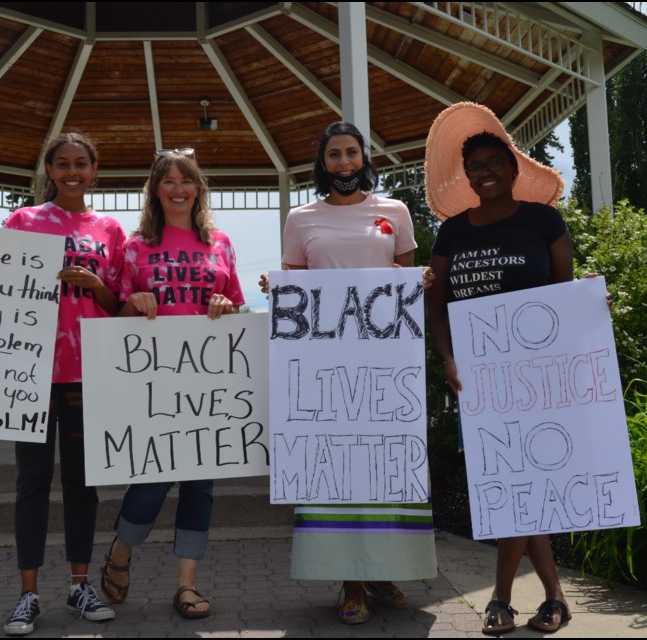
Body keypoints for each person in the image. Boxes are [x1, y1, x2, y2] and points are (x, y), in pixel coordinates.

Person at [264, 122, 438, 625]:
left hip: (385, 366)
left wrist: (420, 278)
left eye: (351, 154)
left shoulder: (395, 212)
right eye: (334, 155)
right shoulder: (300, 218)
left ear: (364, 159)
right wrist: (276, 285)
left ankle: (384, 573)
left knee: (384, 466)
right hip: (325, 371)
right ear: (322, 163)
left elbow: (402, 278)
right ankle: (352, 581)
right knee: (336, 469)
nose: (344, 163)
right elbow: (295, 282)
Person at [424, 102, 573, 635]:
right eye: (475, 168)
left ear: (512, 168)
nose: (484, 173)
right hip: (479, 377)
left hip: (538, 375)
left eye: (493, 164)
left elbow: (564, 296)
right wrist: (448, 357)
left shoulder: (543, 220)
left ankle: (503, 599)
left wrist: (590, 309)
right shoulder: (453, 232)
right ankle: (551, 598)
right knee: (511, 484)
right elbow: (435, 301)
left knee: (522, 483)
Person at [99, 148, 245, 620]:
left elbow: (236, 310)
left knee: (200, 486)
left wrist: (224, 304)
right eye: (169, 181)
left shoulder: (220, 242)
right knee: (152, 481)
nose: (179, 189)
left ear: (199, 187)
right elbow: (116, 316)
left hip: (207, 384)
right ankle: (120, 553)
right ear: (155, 190)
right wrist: (134, 301)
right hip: (151, 384)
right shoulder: (136, 245)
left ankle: (186, 585)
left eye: (187, 181)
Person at [1, 132, 126, 635]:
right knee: (32, 483)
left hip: (86, 373)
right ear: (49, 170)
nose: (72, 172)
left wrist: (97, 287)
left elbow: (121, 305)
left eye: (81, 164)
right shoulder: (23, 221)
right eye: (62, 164)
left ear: (95, 171)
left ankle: (79, 585)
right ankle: (27, 595)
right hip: (29, 372)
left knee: (82, 483)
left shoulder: (111, 230)